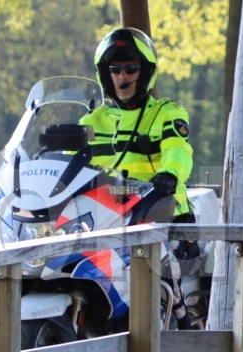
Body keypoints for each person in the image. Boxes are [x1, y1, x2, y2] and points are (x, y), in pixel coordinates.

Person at [82, 27, 193, 221]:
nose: (122, 76)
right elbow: (69, 166)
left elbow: (177, 150)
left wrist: (170, 173)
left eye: (131, 69)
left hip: (162, 214)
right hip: (103, 219)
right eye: (114, 69)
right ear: (105, 75)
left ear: (146, 73)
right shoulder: (91, 121)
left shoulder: (167, 113)